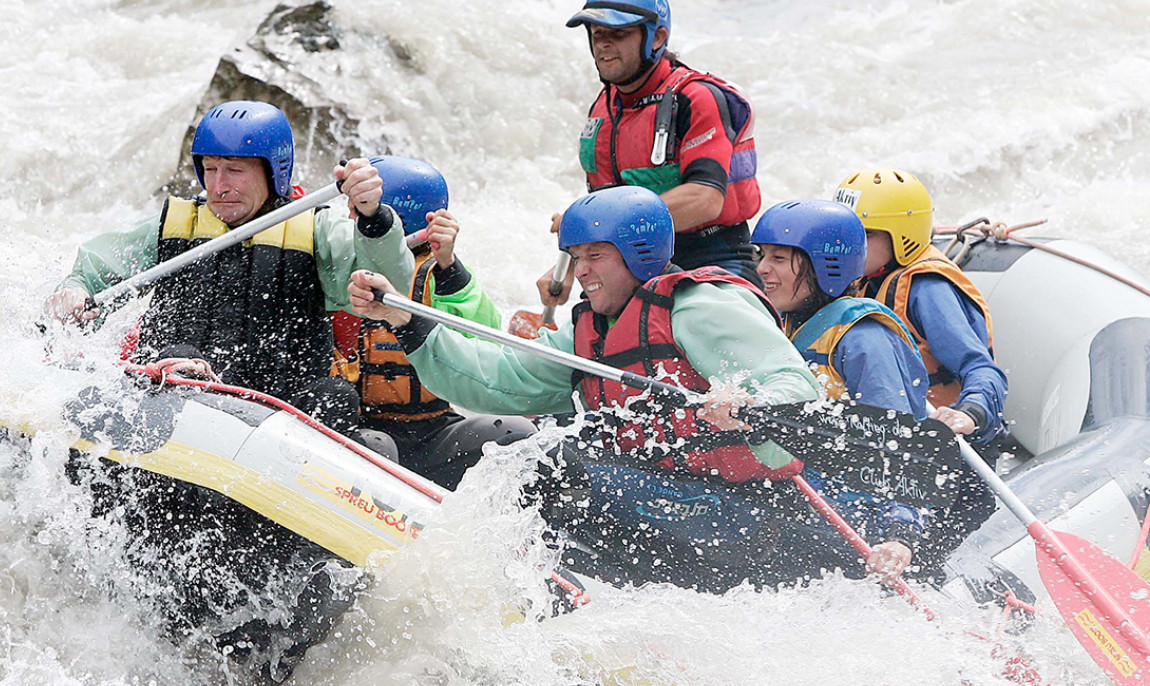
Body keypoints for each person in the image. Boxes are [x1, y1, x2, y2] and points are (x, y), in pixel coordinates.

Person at [349, 186, 893, 593]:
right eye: (577, 256)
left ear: (638, 254)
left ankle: (549, 590)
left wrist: (748, 402)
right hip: (664, 503)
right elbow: (496, 377)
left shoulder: (703, 306)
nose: (581, 271)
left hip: (740, 518)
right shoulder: (590, 328)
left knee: (548, 463)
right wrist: (406, 322)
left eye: (596, 256)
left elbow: (794, 386)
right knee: (514, 446)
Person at [45, 100, 414, 439]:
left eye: (234, 171)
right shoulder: (172, 223)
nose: (219, 186)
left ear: (274, 172)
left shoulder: (317, 230)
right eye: (210, 169)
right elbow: (97, 268)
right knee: (178, 357)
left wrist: (373, 217)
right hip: (172, 403)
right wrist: (76, 289)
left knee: (335, 397)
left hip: (276, 418)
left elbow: (389, 283)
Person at [537, 0, 764, 312]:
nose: (603, 45)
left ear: (657, 38)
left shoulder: (696, 98)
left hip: (713, 256)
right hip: (634, 262)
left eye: (618, 34)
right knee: (587, 324)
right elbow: (609, 206)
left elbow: (706, 199)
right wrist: (575, 264)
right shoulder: (603, 109)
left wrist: (595, 223)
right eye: (598, 34)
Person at [834, 167, 1008, 568]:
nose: (848, 245)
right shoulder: (860, 279)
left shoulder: (927, 290)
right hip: (894, 451)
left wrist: (969, 413)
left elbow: (982, 369)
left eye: (864, 234)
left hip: (953, 454)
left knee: (927, 563)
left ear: (901, 236)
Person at [328, 156, 536, 490]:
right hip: (364, 429)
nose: (350, 218)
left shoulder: (440, 274)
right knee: (378, 447)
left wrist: (449, 264)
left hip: (435, 431)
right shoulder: (340, 266)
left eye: (358, 209)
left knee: (517, 433)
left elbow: (484, 346)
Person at [751, 198, 930, 579]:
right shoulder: (781, 323)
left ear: (825, 266)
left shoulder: (864, 339)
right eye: (761, 255)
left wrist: (900, 534)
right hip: (799, 505)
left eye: (778, 259)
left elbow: (898, 441)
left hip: (856, 520)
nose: (762, 268)